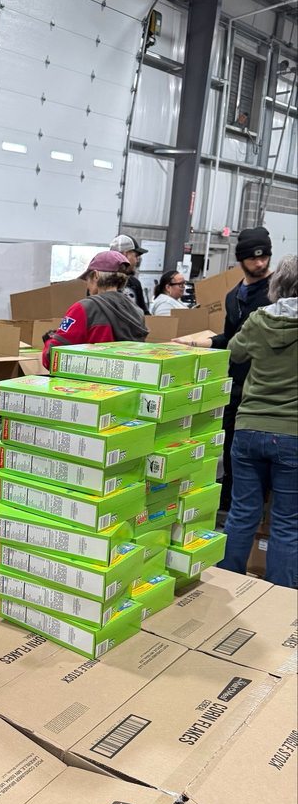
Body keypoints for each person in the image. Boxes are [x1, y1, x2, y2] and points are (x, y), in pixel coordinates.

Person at [175, 226, 273, 511]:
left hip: (266, 387)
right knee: (231, 448)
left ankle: (255, 506)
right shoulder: (234, 296)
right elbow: (231, 338)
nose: (260, 263)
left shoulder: (278, 293)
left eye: (264, 256)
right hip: (235, 384)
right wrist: (198, 342)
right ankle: (229, 500)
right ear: (240, 259)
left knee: (259, 459)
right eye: (253, 258)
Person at [218, 254, 297, 588]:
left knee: (242, 513)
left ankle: (228, 584)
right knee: (287, 523)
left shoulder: (257, 320)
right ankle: (278, 600)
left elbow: (233, 354)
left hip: (248, 428)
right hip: (292, 435)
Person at [42, 250, 148, 369]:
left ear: (96, 276)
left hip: (88, 384)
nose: (87, 285)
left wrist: (49, 341)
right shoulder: (137, 311)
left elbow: (52, 357)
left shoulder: (83, 308)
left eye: (87, 279)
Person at [110, 234, 150, 314]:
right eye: (135, 256)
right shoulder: (102, 281)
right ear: (125, 255)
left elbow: (145, 314)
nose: (136, 261)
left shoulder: (135, 283)